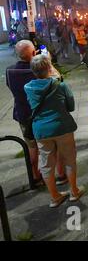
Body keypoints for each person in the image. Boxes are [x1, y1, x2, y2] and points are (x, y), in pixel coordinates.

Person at [24, 54, 84, 208]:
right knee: (69, 159)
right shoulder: (60, 85)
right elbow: (71, 107)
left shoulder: (28, 87)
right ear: (50, 67)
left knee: (46, 164)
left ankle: (55, 196)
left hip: (41, 130)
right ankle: (74, 191)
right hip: (62, 127)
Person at [6, 40, 40, 183]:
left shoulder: (9, 71)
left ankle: (34, 175)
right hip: (39, 113)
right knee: (46, 146)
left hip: (22, 114)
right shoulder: (37, 70)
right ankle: (51, 173)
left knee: (31, 145)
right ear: (33, 53)